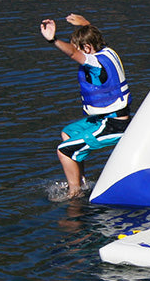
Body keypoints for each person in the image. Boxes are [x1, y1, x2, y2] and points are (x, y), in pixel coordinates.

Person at [40, 13, 131, 197]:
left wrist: (54, 40)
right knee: (67, 133)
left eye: (80, 48)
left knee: (63, 151)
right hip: (102, 119)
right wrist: (85, 24)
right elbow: (93, 38)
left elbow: (74, 54)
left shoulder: (95, 62)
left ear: (87, 48)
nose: (76, 51)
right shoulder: (108, 51)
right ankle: (80, 182)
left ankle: (74, 195)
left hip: (114, 125)